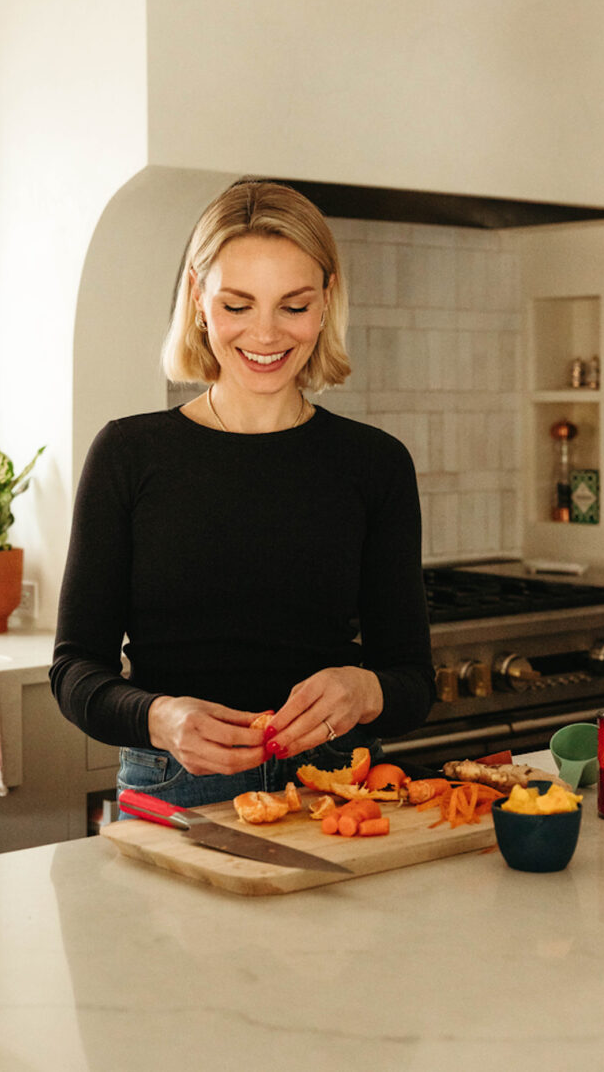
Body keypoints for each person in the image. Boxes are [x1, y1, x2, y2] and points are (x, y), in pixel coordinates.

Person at [50, 179, 435, 810]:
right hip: (176, 794)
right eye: (238, 305)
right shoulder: (127, 455)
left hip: (334, 794)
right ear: (199, 299)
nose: (265, 334)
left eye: (293, 305)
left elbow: (413, 682)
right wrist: (158, 717)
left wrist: (366, 690)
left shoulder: (375, 464)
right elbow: (74, 673)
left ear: (326, 301)